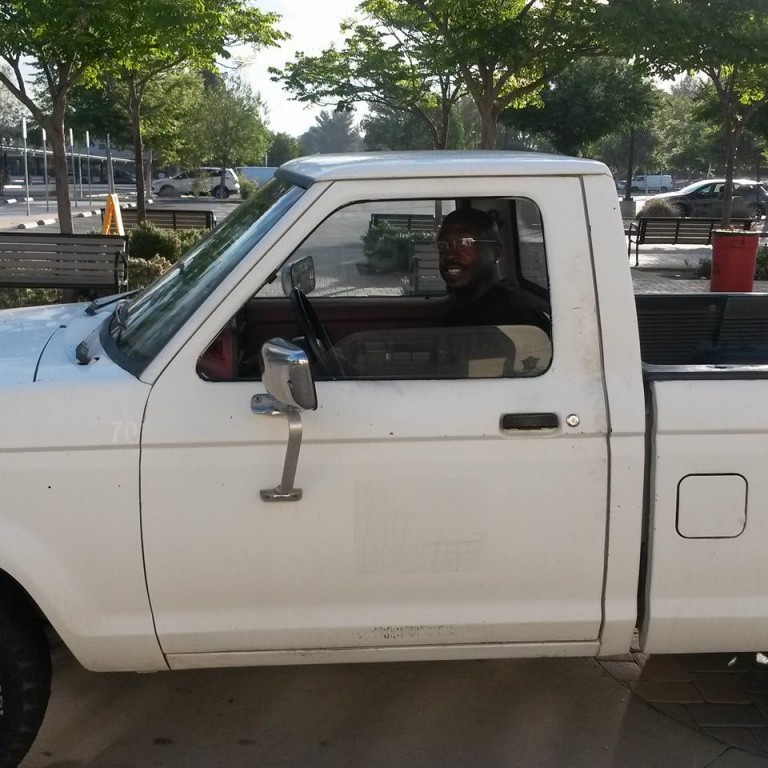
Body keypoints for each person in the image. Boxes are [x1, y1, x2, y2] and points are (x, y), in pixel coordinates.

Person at [437, 207, 550, 335]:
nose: (450, 255)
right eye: (443, 245)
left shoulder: (516, 317)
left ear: (496, 252)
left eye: (465, 243)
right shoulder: (463, 307)